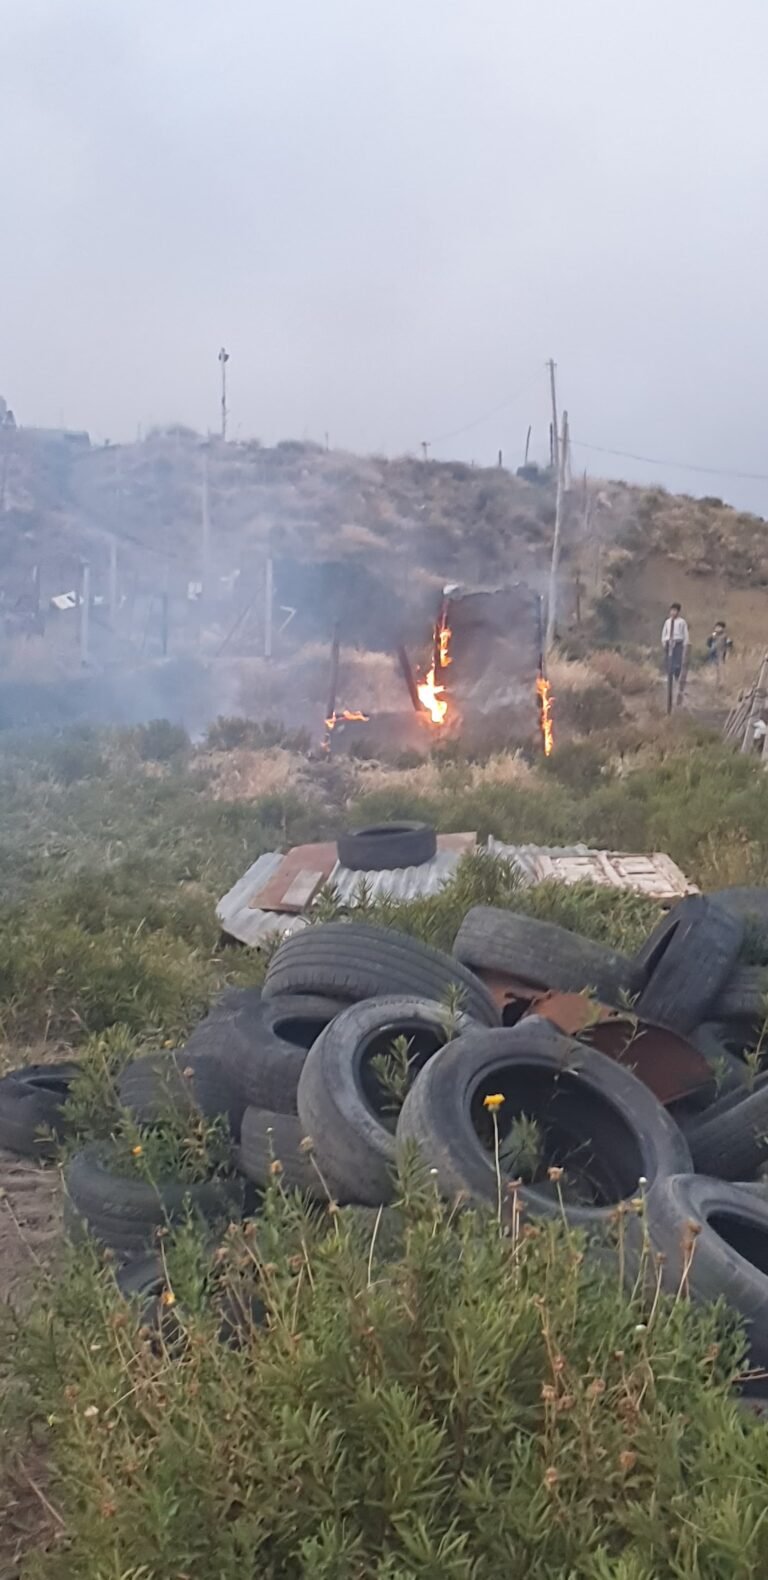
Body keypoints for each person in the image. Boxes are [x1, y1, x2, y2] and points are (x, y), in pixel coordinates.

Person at [661, 602, 690, 710]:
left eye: (675, 610)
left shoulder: (682, 622)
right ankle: (669, 674)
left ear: (678, 612)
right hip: (669, 642)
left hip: (678, 642)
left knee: (677, 661)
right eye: (671, 610)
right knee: (668, 661)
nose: (673, 612)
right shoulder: (668, 622)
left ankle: (677, 676)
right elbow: (664, 633)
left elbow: (685, 634)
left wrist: (686, 644)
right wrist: (664, 641)